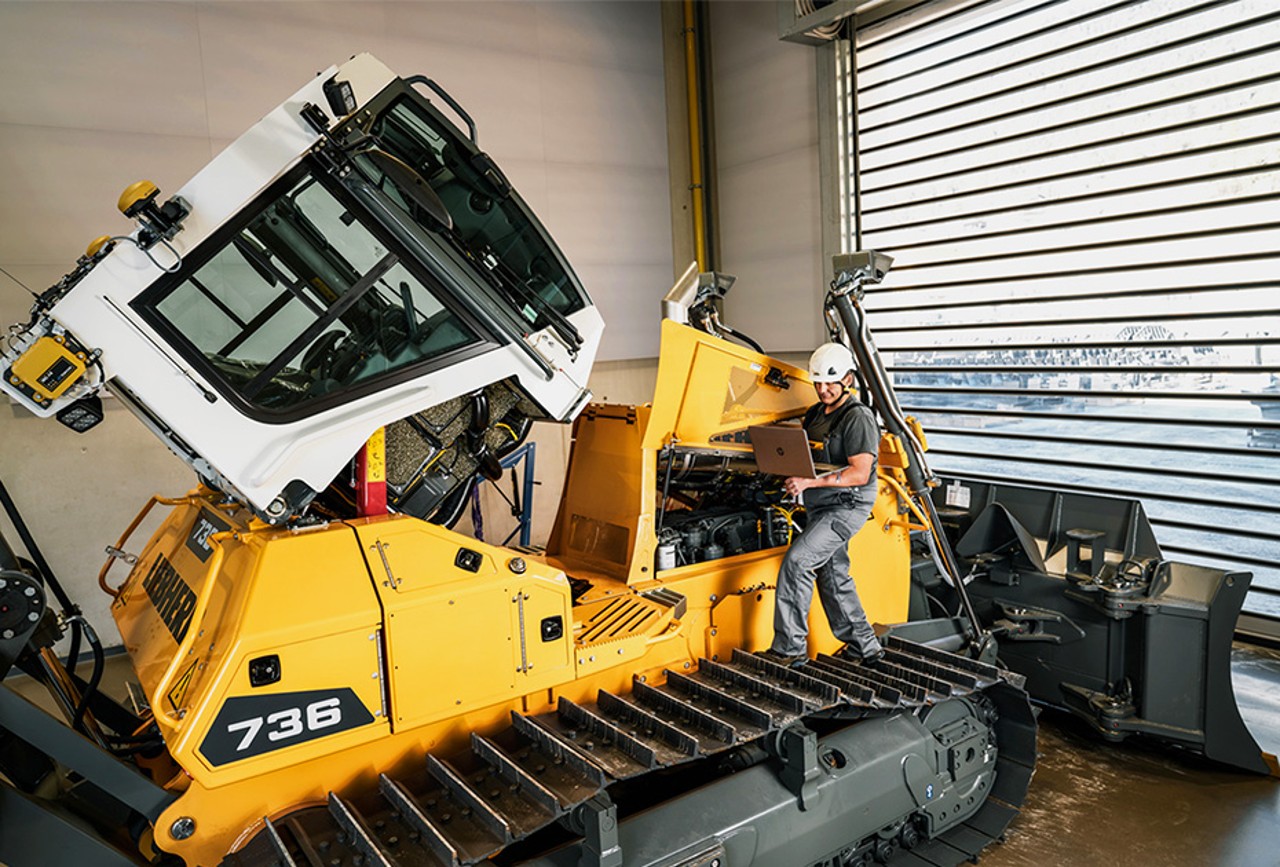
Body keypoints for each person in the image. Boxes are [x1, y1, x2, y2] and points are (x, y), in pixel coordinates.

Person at [763, 342, 884, 666]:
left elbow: (859, 474)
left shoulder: (857, 417)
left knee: (799, 562)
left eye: (830, 382)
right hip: (819, 504)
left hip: (846, 506)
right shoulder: (816, 412)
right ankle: (865, 648)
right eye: (817, 382)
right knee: (833, 576)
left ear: (847, 379)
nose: (823, 389)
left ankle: (789, 652)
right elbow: (804, 452)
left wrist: (809, 483)